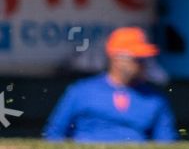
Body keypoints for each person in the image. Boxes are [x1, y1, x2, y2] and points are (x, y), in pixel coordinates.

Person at [43, 27, 176, 142]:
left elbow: (166, 143)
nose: (142, 64)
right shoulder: (81, 91)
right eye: (137, 59)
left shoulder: (154, 99)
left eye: (143, 59)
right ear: (117, 58)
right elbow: (54, 134)